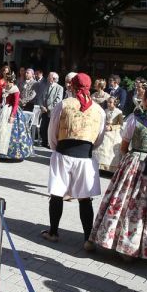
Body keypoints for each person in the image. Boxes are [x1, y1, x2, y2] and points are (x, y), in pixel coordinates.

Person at [88, 88, 147, 259]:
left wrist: (127, 162)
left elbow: (124, 147)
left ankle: (125, 246)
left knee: (130, 204)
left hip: (138, 164)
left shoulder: (135, 119)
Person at [42, 73, 106, 246]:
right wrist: (87, 148)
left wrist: (56, 148)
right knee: (85, 198)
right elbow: (100, 137)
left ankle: (53, 232)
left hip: (63, 153)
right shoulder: (99, 110)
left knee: (57, 193)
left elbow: (52, 130)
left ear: (72, 86)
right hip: (85, 157)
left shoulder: (63, 104)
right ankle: (88, 239)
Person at [0, 73, 33, 160]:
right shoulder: (5, 88)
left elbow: (16, 104)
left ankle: (9, 153)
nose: (5, 83)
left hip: (10, 110)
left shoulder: (15, 90)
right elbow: (1, 99)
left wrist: (12, 115)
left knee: (9, 131)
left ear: (10, 81)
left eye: (7, 81)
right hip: (2, 109)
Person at [92, 97, 124, 173]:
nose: (108, 104)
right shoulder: (105, 111)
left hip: (114, 131)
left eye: (110, 102)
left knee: (108, 143)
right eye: (108, 102)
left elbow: (121, 124)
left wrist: (111, 127)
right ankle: (98, 164)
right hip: (105, 129)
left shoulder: (119, 112)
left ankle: (109, 167)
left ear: (114, 103)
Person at [38, 72, 63, 148]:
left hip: (52, 112)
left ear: (54, 79)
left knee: (51, 128)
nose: (48, 78)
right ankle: (44, 141)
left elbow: (58, 100)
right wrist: (41, 106)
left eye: (49, 76)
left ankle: (50, 143)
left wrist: (48, 108)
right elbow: (41, 97)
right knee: (43, 127)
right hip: (44, 111)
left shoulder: (59, 88)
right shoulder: (46, 86)